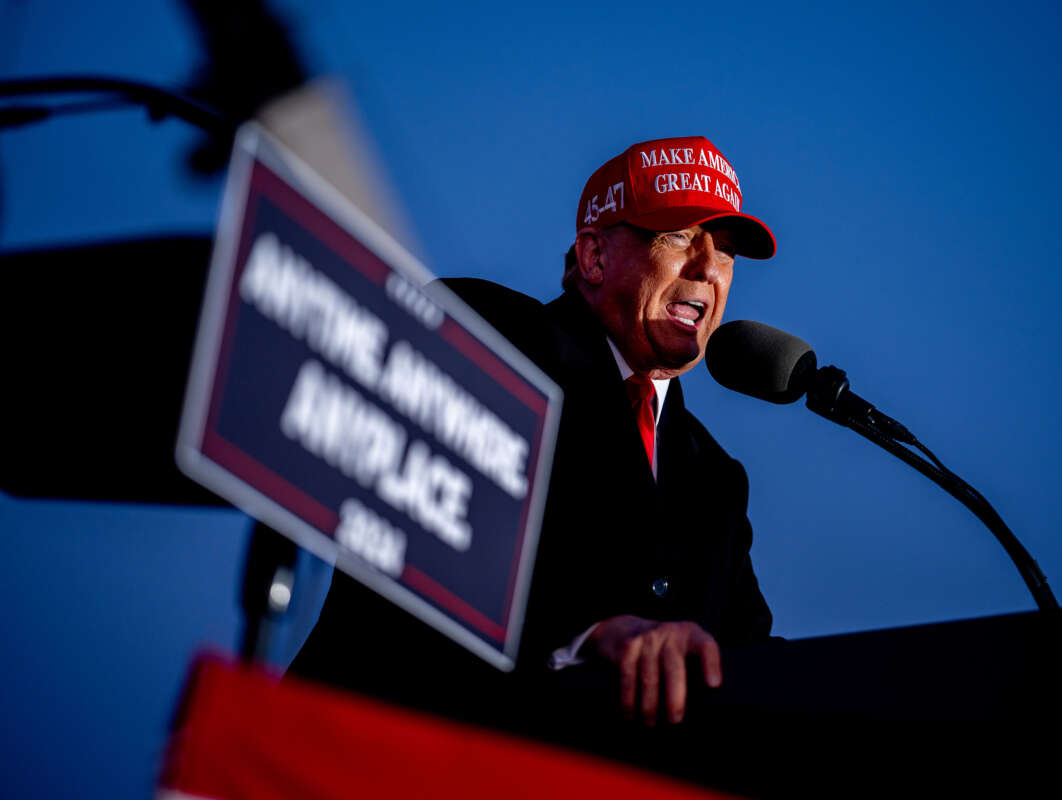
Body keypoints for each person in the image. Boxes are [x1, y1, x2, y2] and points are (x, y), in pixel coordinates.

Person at [290, 135, 777, 729]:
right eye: (677, 237)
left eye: (724, 250)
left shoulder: (716, 480)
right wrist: (586, 634)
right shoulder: (486, 337)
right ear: (594, 257)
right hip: (369, 749)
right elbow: (426, 531)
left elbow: (752, 670)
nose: (707, 268)